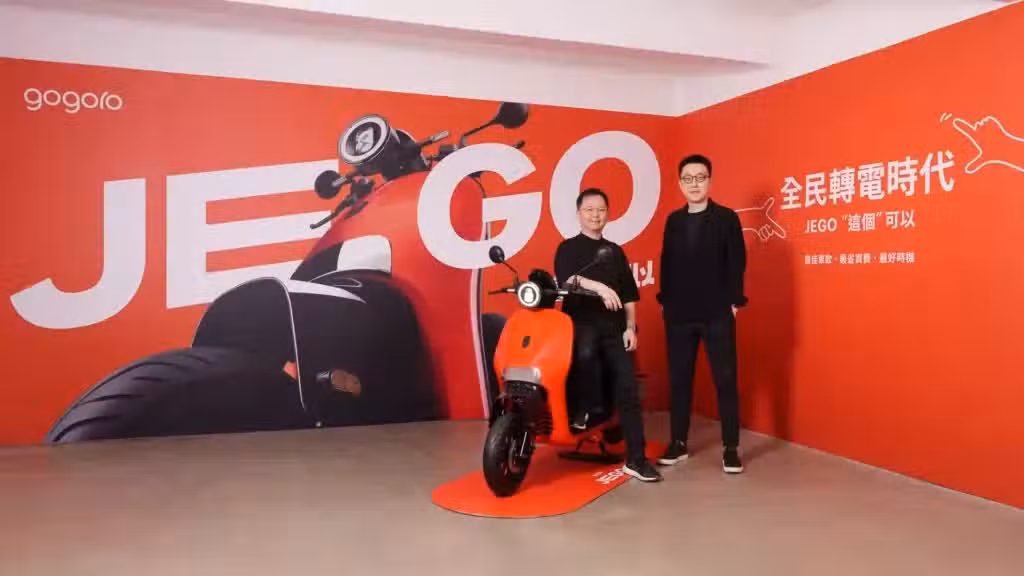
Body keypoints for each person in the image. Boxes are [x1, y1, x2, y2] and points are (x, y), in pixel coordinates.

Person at [554, 188, 662, 483]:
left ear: (608, 214)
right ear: (579, 214)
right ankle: (586, 411)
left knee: (628, 390)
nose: (595, 215)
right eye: (589, 209)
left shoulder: (615, 251)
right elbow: (568, 280)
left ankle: (636, 460)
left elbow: (629, 295)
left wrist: (630, 327)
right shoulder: (568, 248)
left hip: (614, 330)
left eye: (601, 210)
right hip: (580, 327)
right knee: (584, 354)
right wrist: (600, 288)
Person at [656, 154, 747, 474]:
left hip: (716, 313)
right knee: (680, 381)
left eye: (700, 177)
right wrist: (665, 300)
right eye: (688, 178)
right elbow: (666, 262)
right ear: (680, 183)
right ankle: (678, 443)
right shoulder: (673, 221)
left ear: (709, 180)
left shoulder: (726, 218)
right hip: (679, 315)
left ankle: (731, 448)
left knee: (725, 379)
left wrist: (734, 303)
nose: (694, 184)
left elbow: (737, 261)